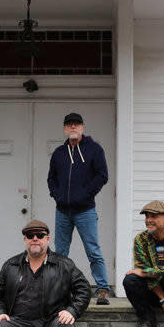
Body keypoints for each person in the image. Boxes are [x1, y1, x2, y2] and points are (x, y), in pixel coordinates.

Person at [47, 112, 111, 305]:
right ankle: (60, 290)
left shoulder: (94, 149)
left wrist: (85, 194)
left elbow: (102, 175)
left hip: (85, 211)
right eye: (69, 125)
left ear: (82, 127)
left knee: (93, 250)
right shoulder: (59, 153)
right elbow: (52, 178)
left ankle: (102, 290)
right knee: (60, 253)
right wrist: (57, 195)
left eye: (76, 124)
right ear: (65, 129)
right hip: (62, 211)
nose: (73, 127)